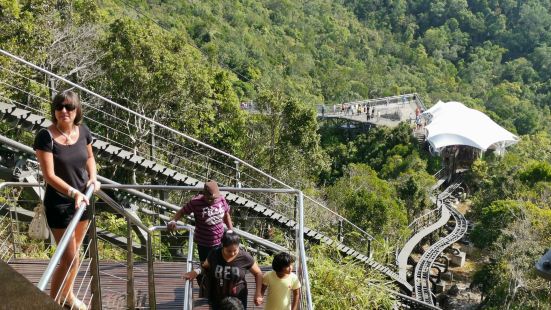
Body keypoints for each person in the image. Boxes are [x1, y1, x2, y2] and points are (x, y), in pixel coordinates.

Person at [34, 90, 100, 310]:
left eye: (69, 107)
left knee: (76, 252)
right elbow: (49, 176)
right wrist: (74, 193)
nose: (64, 111)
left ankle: (69, 295)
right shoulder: (46, 136)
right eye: (60, 107)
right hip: (61, 203)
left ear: (76, 110)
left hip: (84, 200)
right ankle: (51, 302)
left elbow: (90, 157)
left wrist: (93, 178)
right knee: (69, 258)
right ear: (54, 110)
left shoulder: (83, 131)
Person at [183, 231, 264, 309]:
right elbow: (205, 266)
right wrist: (195, 272)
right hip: (217, 297)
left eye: (235, 250)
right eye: (229, 251)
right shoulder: (214, 254)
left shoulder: (245, 257)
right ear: (222, 246)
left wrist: (258, 293)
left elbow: (258, 273)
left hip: (238, 298)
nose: (232, 253)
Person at [168, 180, 233, 263]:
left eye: (213, 199)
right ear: (204, 194)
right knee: (205, 265)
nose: (211, 201)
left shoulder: (221, 199)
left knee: (218, 265)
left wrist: (230, 229)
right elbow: (182, 212)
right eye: (209, 199)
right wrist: (173, 221)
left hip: (219, 240)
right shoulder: (196, 202)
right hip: (203, 242)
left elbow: (226, 214)